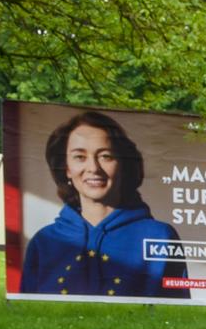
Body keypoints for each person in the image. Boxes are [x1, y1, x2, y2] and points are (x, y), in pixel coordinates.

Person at [20, 110, 190, 299]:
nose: (93, 168)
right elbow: (27, 310)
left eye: (106, 156)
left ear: (122, 164)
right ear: (66, 168)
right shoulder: (44, 242)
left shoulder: (160, 236)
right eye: (80, 157)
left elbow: (175, 313)